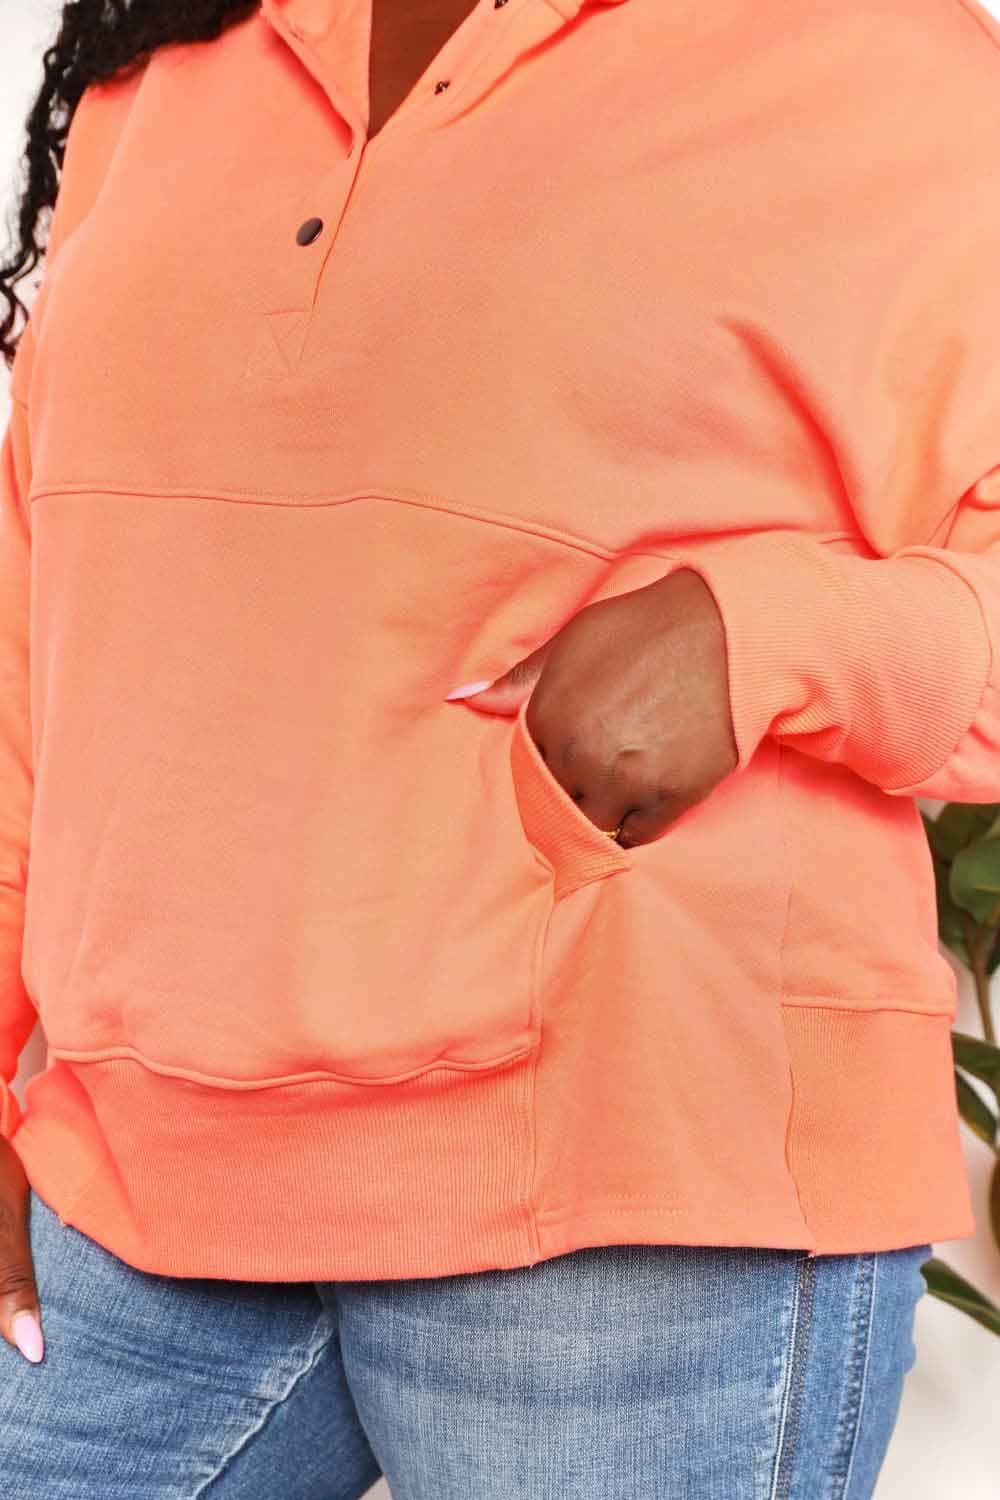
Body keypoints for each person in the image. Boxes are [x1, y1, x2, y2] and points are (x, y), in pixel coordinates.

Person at [0, 0, 997, 1492]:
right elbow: (49, 616)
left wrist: (765, 633)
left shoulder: (881, 56)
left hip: (637, 1205)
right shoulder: (173, 50)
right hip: (136, 1174)